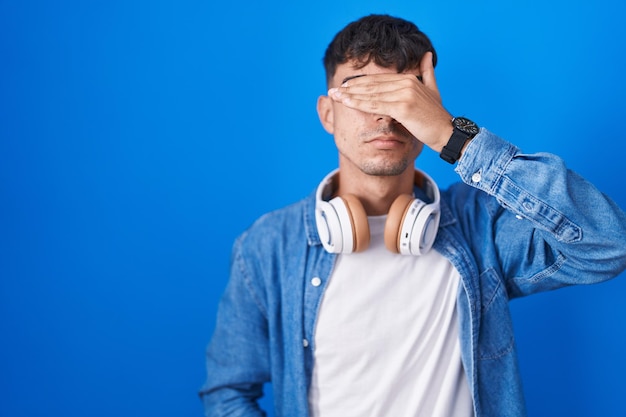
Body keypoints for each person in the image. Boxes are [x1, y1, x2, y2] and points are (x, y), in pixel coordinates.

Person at [199, 14, 626, 417]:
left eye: (403, 95)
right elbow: (228, 392)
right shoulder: (268, 246)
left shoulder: (481, 226)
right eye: (362, 92)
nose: (385, 115)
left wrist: (451, 134)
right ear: (327, 114)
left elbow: (608, 244)